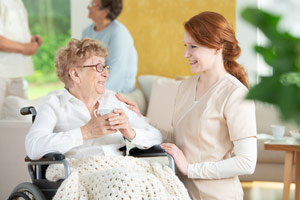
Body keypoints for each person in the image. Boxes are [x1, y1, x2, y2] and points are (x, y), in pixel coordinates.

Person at [117, 11, 257, 200]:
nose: (185, 54)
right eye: (185, 46)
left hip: (218, 195)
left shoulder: (235, 94)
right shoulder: (185, 87)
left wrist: (191, 169)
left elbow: (246, 163)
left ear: (218, 48)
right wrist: (139, 119)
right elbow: (177, 140)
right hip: (181, 192)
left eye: (193, 46)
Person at [25, 38, 162, 160]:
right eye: (99, 67)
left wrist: (129, 131)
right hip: (79, 173)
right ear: (75, 74)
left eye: (105, 67)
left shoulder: (113, 100)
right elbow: (34, 146)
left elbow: (156, 136)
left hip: (121, 168)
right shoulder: (55, 103)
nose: (106, 73)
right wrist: (85, 132)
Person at [82, 0, 137, 93]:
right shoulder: (87, 31)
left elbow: (117, 75)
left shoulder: (118, 33)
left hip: (119, 93)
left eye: (93, 4)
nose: (88, 7)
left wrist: (96, 97)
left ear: (105, 12)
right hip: (93, 91)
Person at [0, 0, 43, 110]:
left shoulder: (18, 2)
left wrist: (29, 40)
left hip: (16, 73)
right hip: (2, 73)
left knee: (19, 118)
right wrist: (24, 48)